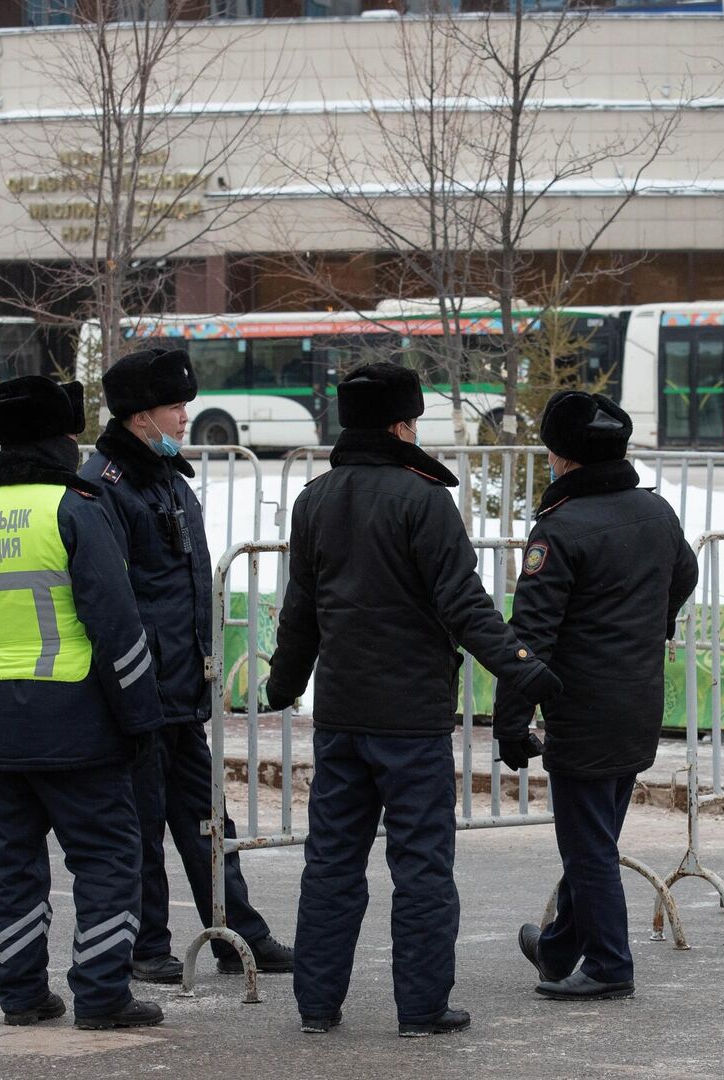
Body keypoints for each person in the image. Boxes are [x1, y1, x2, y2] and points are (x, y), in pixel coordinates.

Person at [262, 362, 564, 1038]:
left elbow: (300, 611)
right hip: (413, 721)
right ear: (401, 424)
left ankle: (317, 1005)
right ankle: (423, 1008)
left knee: (331, 863)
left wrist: (283, 684)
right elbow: (464, 606)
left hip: (340, 715)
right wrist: (522, 666)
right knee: (422, 866)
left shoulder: (314, 498)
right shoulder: (422, 499)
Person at [0, 375, 165, 1031]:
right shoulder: (73, 509)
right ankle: (100, 994)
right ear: (58, 438)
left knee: (10, 865)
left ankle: (20, 994)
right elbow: (117, 627)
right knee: (109, 859)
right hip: (78, 723)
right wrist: (141, 719)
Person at [79, 347, 294, 984]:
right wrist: (134, 687)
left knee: (209, 823)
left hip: (182, 691)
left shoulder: (167, 477)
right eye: (176, 406)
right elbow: (111, 602)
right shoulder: (105, 485)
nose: (185, 417)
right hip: (140, 695)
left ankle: (236, 936)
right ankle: (147, 947)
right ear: (140, 414)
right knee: (142, 829)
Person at [495, 390, 698, 1002]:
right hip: (638, 700)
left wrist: (510, 723)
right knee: (596, 840)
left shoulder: (559, 532)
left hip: (582, 708)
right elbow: (684, 574)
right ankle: (558, 949)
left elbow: (529, 639)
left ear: (560, 458)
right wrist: (650, 626)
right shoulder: (654, 513)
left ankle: (610, 964)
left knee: (587, 849)